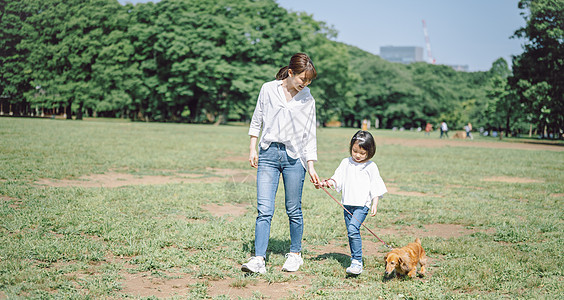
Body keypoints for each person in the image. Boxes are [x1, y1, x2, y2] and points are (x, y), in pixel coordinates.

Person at [242, 53, 321, 274]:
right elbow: (257, 118)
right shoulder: (268, 89)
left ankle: (295, 254)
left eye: (308, 81)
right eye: (302, 79)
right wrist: (252, 148)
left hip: (294, 157)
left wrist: (311, 164)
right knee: (264, 209)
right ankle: (258, 259)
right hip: (267, 154)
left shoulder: (307, 98)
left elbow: (310, 134)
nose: (304, 84)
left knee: (293, 209)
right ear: (290, 73)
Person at [318, 130, 387, 275]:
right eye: (355, 151)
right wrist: (325, 183)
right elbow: (337, 178)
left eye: (362, 153)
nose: (357, 155)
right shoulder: (345, 162)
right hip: (347, 204)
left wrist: (375, 203)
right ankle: (355, 259)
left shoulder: (371, 166)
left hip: (362, 205)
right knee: (351, 232)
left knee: (353, 229)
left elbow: (375, 185)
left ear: (370, 152)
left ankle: (357, 261)